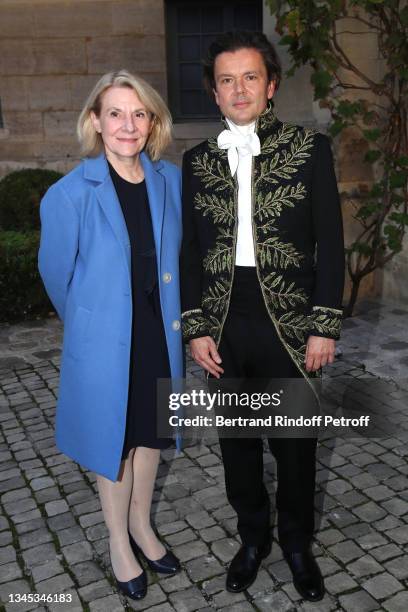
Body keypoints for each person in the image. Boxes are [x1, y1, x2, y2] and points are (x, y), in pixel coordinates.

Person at [180, 31, 344, 601]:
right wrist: (195, 327)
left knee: (295, 443)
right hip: (226, 321)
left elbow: (331, 242)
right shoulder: (196, 161)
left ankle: (297, 543)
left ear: (270, 86)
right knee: (238, 443)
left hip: (292, 318)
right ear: (215, 93)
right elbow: (190, 252)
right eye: (227, 80)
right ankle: (254, 537)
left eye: (250, 77)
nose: (239, 89)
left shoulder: (308, 148)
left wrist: (324, 324)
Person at [38, 70, 183, 600]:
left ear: (152, 122)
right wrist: (94, 325)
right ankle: (119, 541)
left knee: (151, 436)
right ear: (96, 122)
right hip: (107, 344)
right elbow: (58, 278)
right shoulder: (69, 194)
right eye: (116, 113)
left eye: (139, 113)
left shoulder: (170, 181)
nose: (128, 125)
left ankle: (143, 526)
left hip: (159, 333)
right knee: (116, 443)